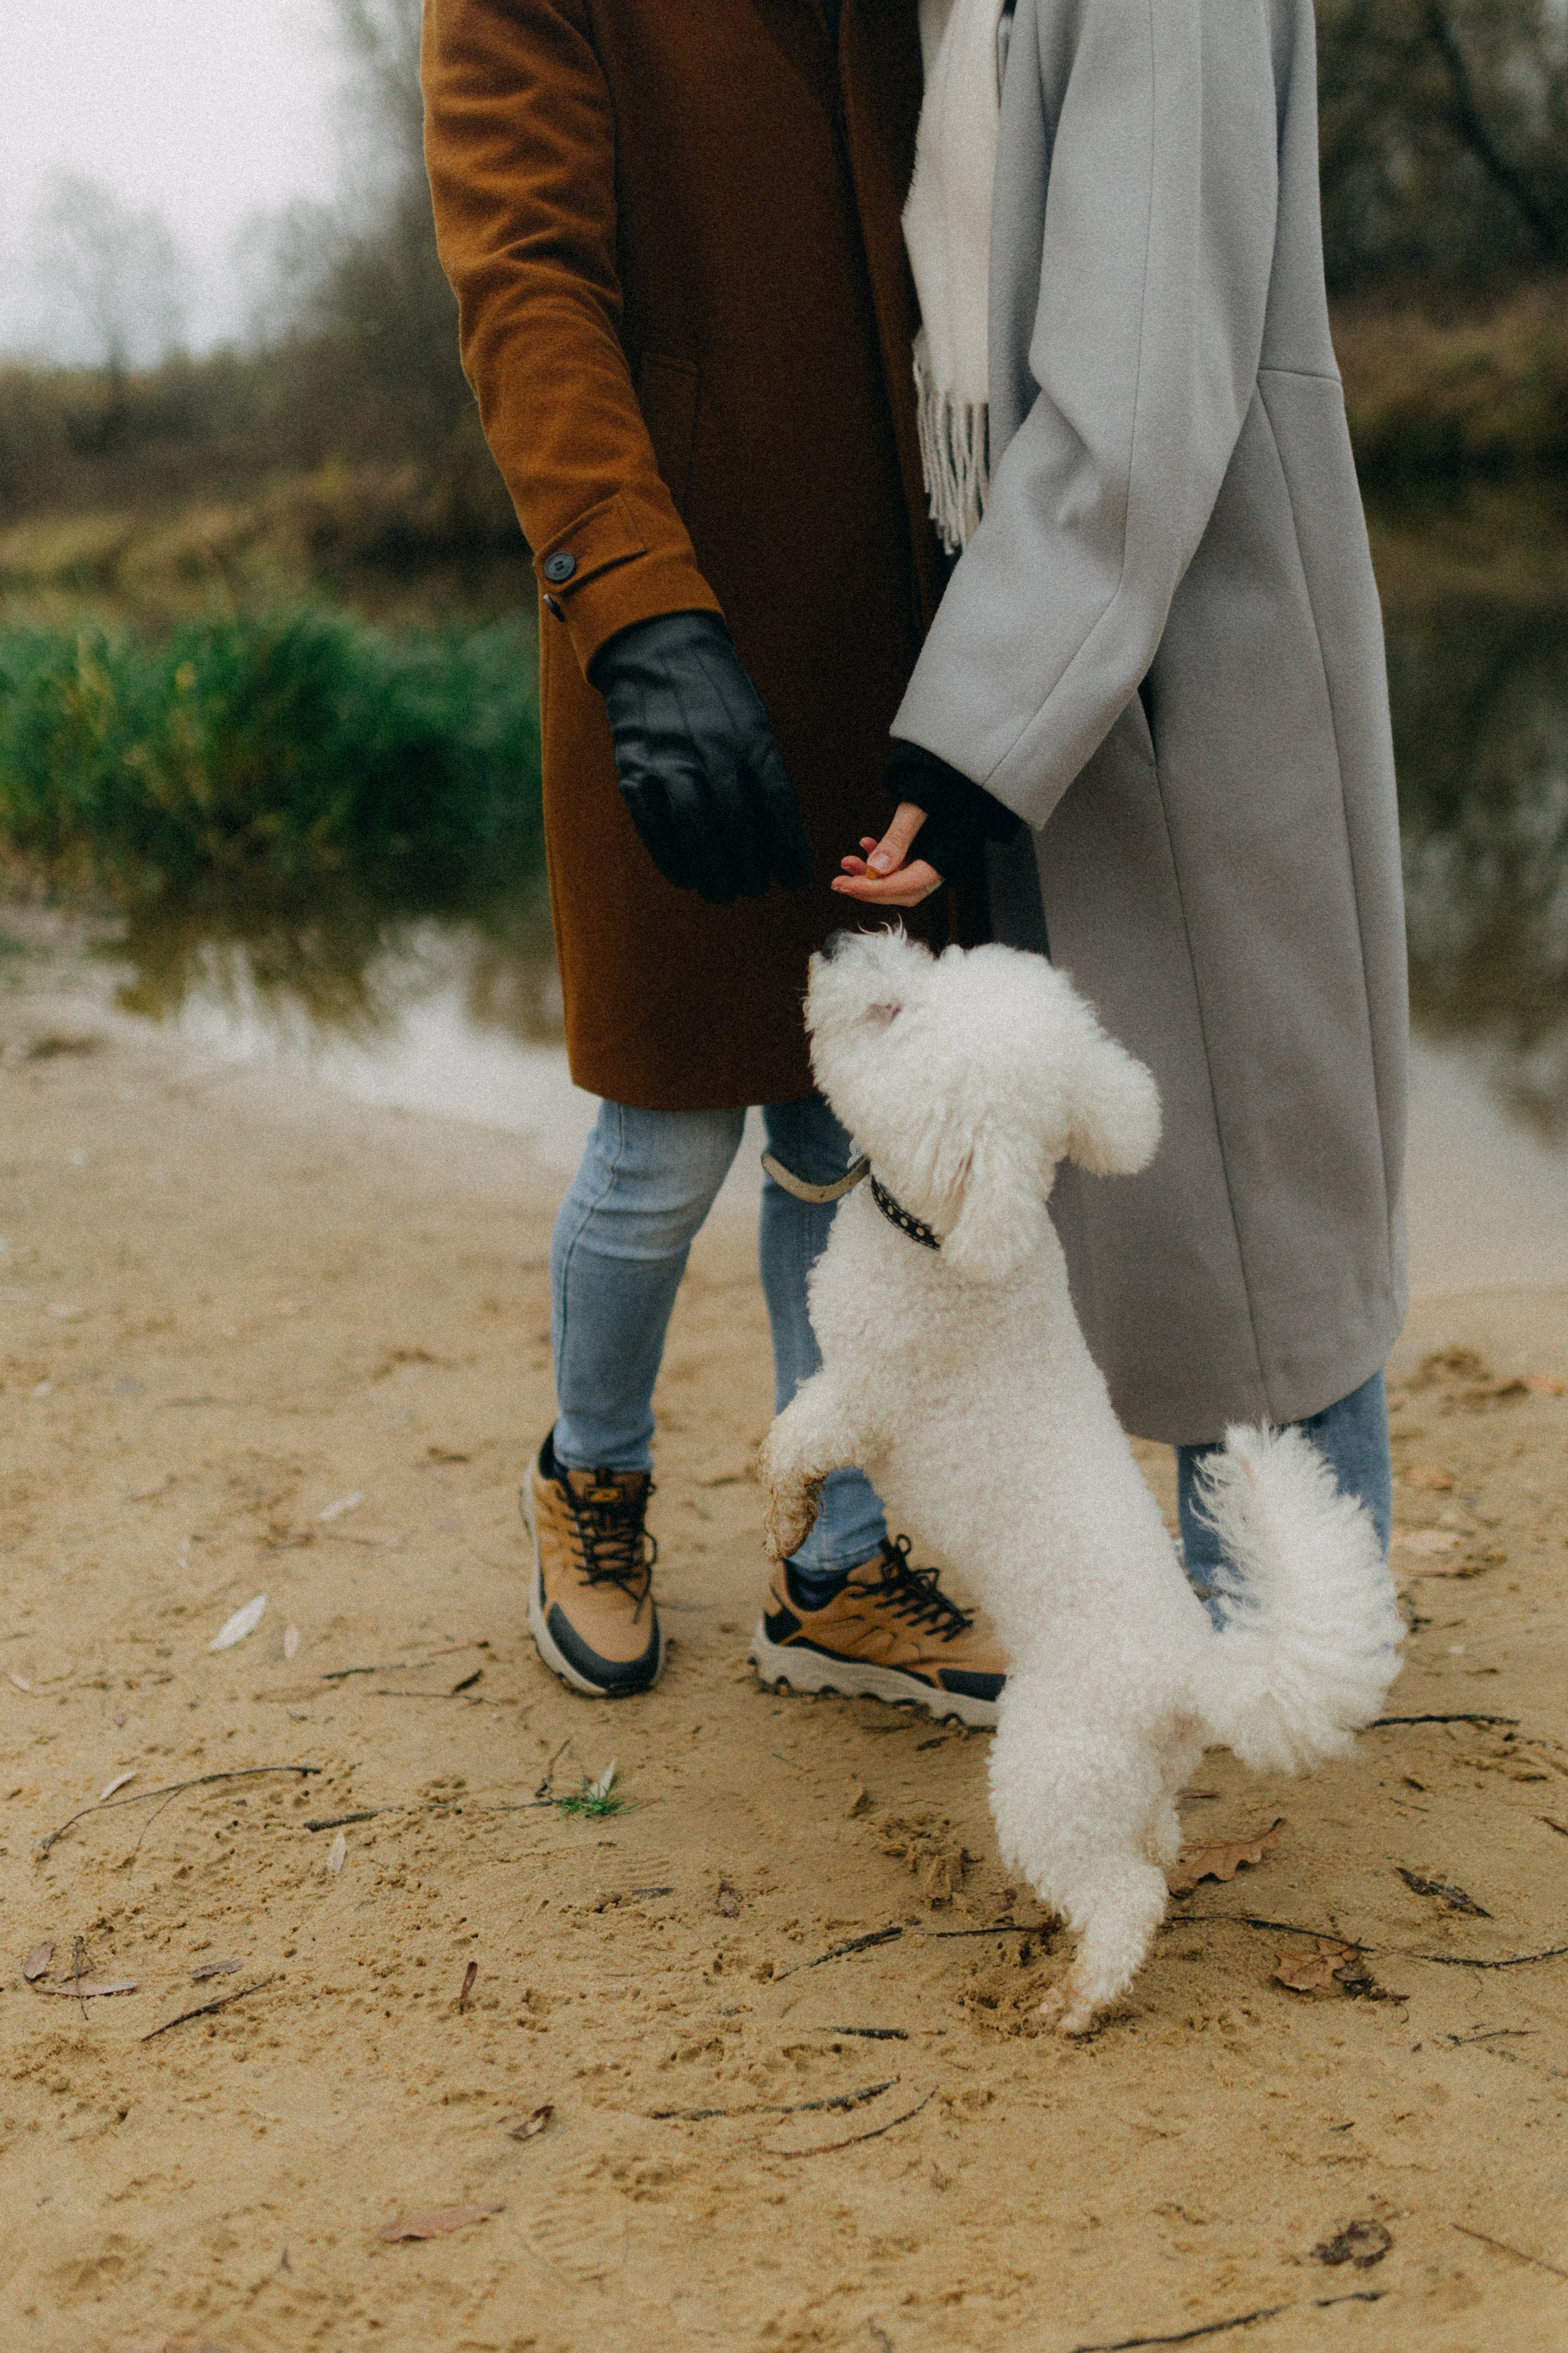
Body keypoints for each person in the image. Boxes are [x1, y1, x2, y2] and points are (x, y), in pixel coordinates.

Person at [421, 0, 1008, 1712]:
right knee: (668, 1130)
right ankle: (588, 1481)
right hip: (670, 626)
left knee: (854, 1121)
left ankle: (834, 1558)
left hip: (893, 628)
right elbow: (524, 282)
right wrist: (632, 612)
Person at [834, 0, 1406, 1592]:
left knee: (1261, 1204)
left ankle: (1301, 1662)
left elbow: (1140, 390)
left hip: (1195, 655)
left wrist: (961, 746)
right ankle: (1256, 1645)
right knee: (1177, 1206)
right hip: (1072, 645)